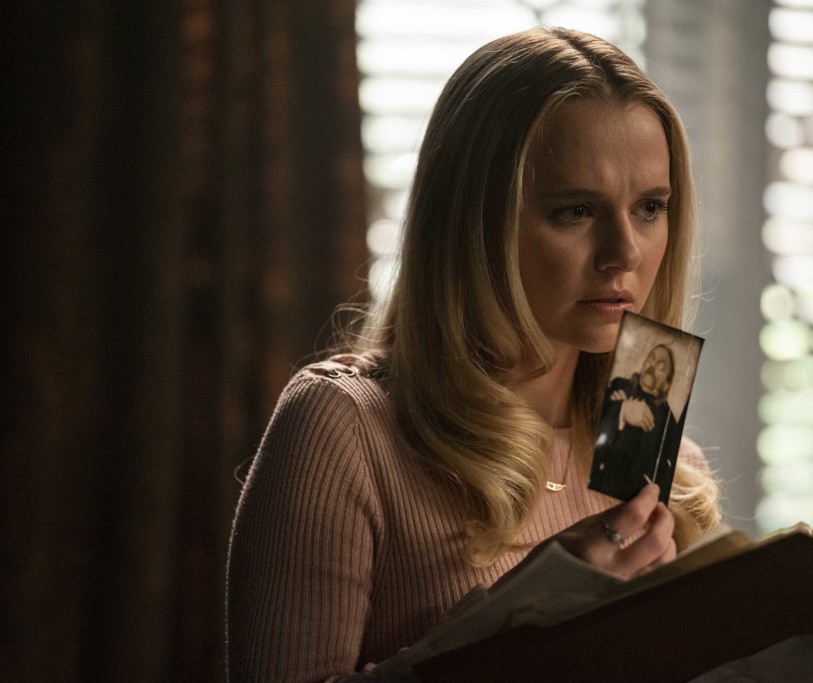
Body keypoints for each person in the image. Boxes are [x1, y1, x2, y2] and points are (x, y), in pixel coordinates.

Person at [226, 26, 720, 681]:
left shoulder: (659, 453)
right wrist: (510, 626)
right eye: (576, 211)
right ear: (473, 220)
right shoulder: (345, 428)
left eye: (650, 207)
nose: (624, 252)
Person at [590, 344, 685, 502]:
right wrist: (622, 409)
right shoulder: (618, 385)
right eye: (651, 359)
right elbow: (590, 420)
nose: (652, 366)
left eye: (660, 367)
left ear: (666, 384)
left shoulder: (668, 422)